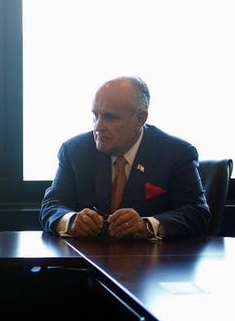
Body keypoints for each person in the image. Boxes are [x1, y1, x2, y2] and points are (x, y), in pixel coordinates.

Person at [40, 76, 209, 240]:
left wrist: (147, 226)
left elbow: (197, 213)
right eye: (95, 115)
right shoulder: (75, 150)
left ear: (140, 119)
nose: (98, 126)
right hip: (84, 261)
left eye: (109, 117)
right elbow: (52, 205)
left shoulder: (176, 153)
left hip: (150, 263)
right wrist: (71, 221)